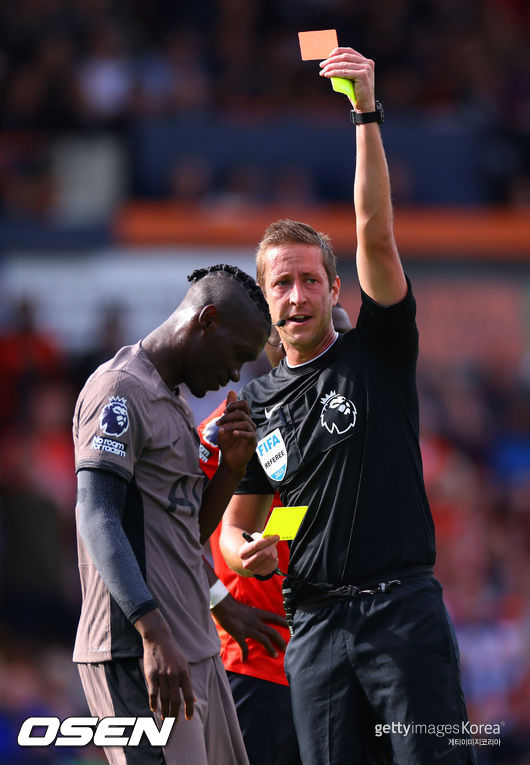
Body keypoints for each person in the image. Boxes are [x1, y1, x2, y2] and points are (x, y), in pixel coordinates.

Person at [219, 48, 477, 765]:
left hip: (402, 613)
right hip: (315, 628)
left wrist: (365, 110)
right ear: (265, 301)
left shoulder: (379, 351)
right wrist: (250, 551)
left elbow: (376, 233)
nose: (296, 295)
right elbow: (241, 523)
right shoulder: (258, 401)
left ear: (336, 289)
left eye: (309, 280)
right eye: (281, 285)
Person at [72, 264, 271, 765]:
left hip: (194, 646)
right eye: (236, 356)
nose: (234, 373)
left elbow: (181, 533)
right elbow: (97, 515)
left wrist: (231, 470)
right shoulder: (118, 390)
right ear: (207, 320)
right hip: (139, 650)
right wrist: (152, 633)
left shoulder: (175, 404)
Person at [199, 304, 352, 765]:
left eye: (344, 337)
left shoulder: (347, 428)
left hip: (333, 663)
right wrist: (216, 600)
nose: (338, 350)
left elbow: (293, 521)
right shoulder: (226, 428)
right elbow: (161, 531)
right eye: (326, 334)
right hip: (256, 662)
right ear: (275, 345)